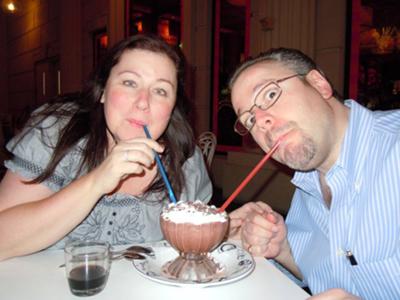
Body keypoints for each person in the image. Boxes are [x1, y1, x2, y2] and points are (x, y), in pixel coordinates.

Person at [0, 34, 212, 261]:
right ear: (102, 91)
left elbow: (191, 250)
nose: (143, 102)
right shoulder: (56, 132)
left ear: (172, 106)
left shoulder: (187, 161)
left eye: (160, 91)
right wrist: (98, 181)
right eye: (130, 83)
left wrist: (230, 232)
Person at [228, 48, 400, 299]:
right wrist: (282, 249)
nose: (260, 121)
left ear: (319, 84)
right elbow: (330, 274)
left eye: (271, 94)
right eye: (249, 121)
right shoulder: (306, 188)